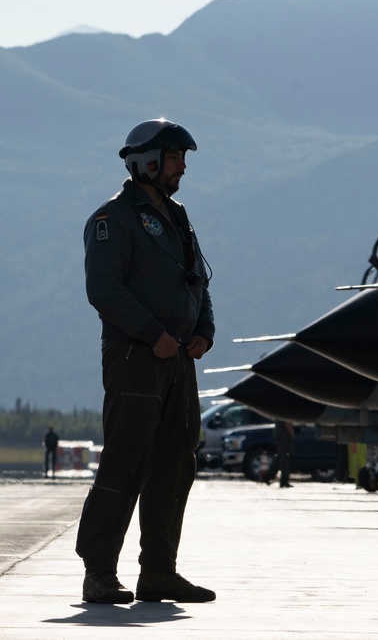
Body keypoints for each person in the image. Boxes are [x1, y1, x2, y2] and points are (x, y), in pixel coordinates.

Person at [76, 119, 216, 605]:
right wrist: (153, 333)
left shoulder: (178, 217)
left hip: (178, 359)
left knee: (177, 463)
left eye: (182, 158)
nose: (182, 167)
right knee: (125, 460)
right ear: (147, 161)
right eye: (176, 157)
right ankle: (99, 572)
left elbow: (197, 279)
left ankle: (159, 571)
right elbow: (104, 290)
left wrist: (204, 331)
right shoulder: (112, 220)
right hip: (135, 356)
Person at [274, 420, 294, 487]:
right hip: (284, 437)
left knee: (279, 457)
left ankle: (268, 476)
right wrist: (291, 433)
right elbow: (288, 423)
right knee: (284, 459)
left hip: (279, 435)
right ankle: (284, 481)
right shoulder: (286, 413)